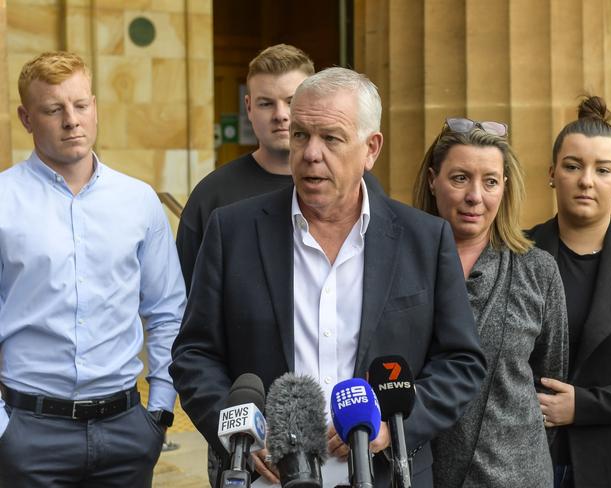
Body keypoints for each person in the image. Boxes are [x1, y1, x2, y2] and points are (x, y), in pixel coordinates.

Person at [170, 68, 486, 487]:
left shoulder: (424, 240)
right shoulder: (233, 231)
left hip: (387, 474)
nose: (311, 153)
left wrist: (394, 427)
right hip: (267, 479)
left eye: (331, 138)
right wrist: (238, 435)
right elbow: (195, 354)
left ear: (371, 148)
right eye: (301, 135)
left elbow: (461, 362)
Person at [0, 51, 186, 488]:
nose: (72, 120)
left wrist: (159, 410)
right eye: (53, 109)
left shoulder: (139, 202)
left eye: (81, 105)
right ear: (27, 119)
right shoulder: (3, 201)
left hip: (126, 433)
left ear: (96, 107)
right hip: (29, 435)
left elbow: (167, 312)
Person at [413, 117, 568, 487]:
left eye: (490, 182)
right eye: (460, 178)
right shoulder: (399, 264)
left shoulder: (538, 270)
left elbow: (551, 380)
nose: (475, 196)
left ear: (505, 188)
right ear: (433, 179)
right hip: (419, 472)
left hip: (516, 475)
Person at [176, 43, 383, 292]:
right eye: (266, 103)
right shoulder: (212, 195)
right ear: (248, 107)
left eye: (291, 101)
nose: (281, 115)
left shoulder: (362, 188)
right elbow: (186, 299)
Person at [528, 96, 611, 488]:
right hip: (523, 462)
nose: (586, 180)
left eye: (603, 170)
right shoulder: (511, 257)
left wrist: (584, 406)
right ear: (551, 173)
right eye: (573, 166)